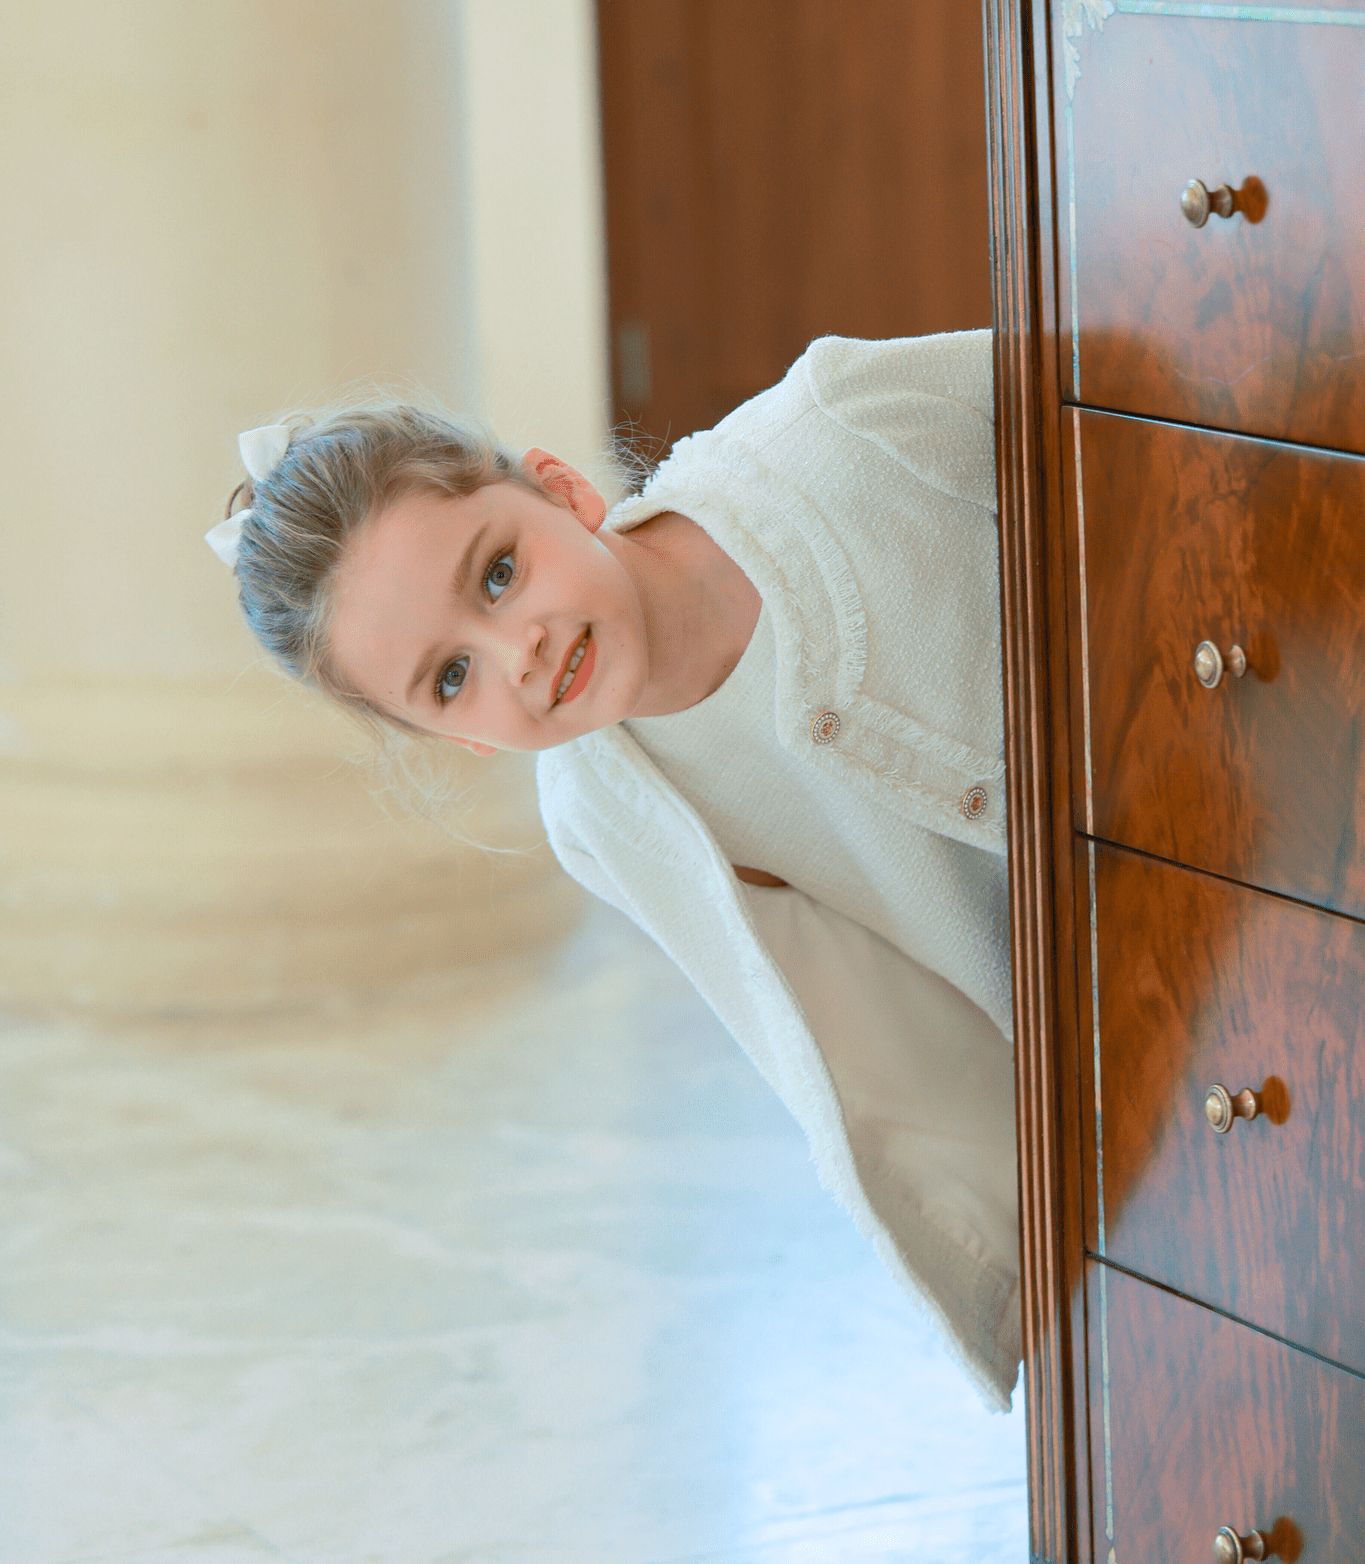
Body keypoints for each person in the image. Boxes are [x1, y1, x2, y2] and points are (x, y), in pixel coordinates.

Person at [206, 330, 1021, 1408]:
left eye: (498, 572)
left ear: (562, 488)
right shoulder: (602, 811)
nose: (521, 652)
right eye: (452, 677)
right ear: (455, 739)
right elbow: (859, 1018)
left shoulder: (844, 427)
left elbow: (1148, 387)